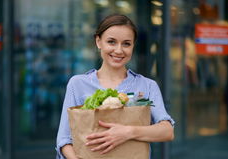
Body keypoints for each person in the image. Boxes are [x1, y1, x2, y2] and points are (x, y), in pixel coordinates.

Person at [55, 14, 175, 159]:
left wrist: (127, 132)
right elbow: (64, 140)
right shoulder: (78, 84)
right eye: (111, 42)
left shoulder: (147, 86)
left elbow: (167, 131)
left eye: (126, 44)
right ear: (98, 42)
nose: (119, 50)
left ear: (133, 46)